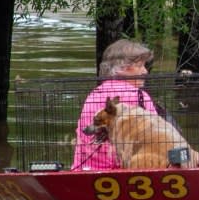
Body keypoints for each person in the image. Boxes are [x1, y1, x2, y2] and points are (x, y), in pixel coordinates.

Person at [72, 39, 176, 170]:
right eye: (139, 66)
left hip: (86, 168)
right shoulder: (139, 95)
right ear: (121, 68)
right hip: (125, 170)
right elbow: (160, 136)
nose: (145, 71)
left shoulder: (93, 94)